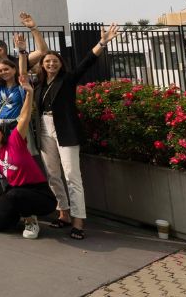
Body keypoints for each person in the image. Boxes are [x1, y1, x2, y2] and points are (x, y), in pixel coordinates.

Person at [29, 21, 119, 240]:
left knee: (72, 176)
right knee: (53, 175)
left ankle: (78, 221)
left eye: (54, 61)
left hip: (65, 130)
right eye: (47, 61)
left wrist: (102, 42)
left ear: (60, 64)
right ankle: (64, 214)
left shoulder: (68, 80)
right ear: (41, 65)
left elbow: (87, 62)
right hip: (44, 129)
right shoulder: (38, 85)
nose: (51, 64)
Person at [0, 75, 58, 239]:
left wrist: (29, 93)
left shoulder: (15, 140)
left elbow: (24, 117)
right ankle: (17, 215)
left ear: (1, 130)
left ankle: (31, 220)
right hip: (14, 191)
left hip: (38, 193)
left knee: (15, 195)